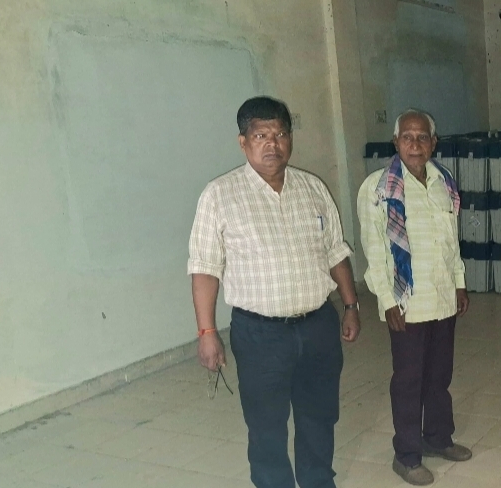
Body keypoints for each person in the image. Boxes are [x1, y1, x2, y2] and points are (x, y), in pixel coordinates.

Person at [188, 96, 361, 488]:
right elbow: (204, 269)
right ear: (243, 142)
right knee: (266, 425)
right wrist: (207, 332)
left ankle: (318, 482)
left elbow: (335, 251)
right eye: (261, 135)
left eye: (280, 134)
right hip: (260, 335)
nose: (272, 144)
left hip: (317, 326)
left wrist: (351, 304)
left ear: (290, 138)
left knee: (319, 416)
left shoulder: (313, 188)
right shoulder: (220, 194)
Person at [358, 109, 472, 486]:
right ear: (396, 142)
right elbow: (374, 250)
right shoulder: (377, 188)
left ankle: (438, 438)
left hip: (442, 297)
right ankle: (407, 455)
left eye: (423, 137)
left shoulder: (443, 182)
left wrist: (459, 282)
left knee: (439, 375)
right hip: (406, 302)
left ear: (433, 143)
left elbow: (451, 242)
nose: (415, 144)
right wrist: (387, 300)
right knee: (409, 379)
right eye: (407, 137)